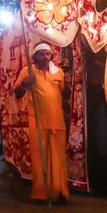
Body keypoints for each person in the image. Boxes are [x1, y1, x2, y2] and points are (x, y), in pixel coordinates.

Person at [14, 42, 69, 202]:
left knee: (58, 158)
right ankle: (41, 193)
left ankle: (60, 192)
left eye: (47, 54)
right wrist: (25, 84)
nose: (44, 57)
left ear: (51, 56)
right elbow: (17, 93)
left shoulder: (58, 72)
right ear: (35, 56)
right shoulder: (27, 71)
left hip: (57, 121)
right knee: (40, 159)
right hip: (37, 122)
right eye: (41, 54)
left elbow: (63, 95)